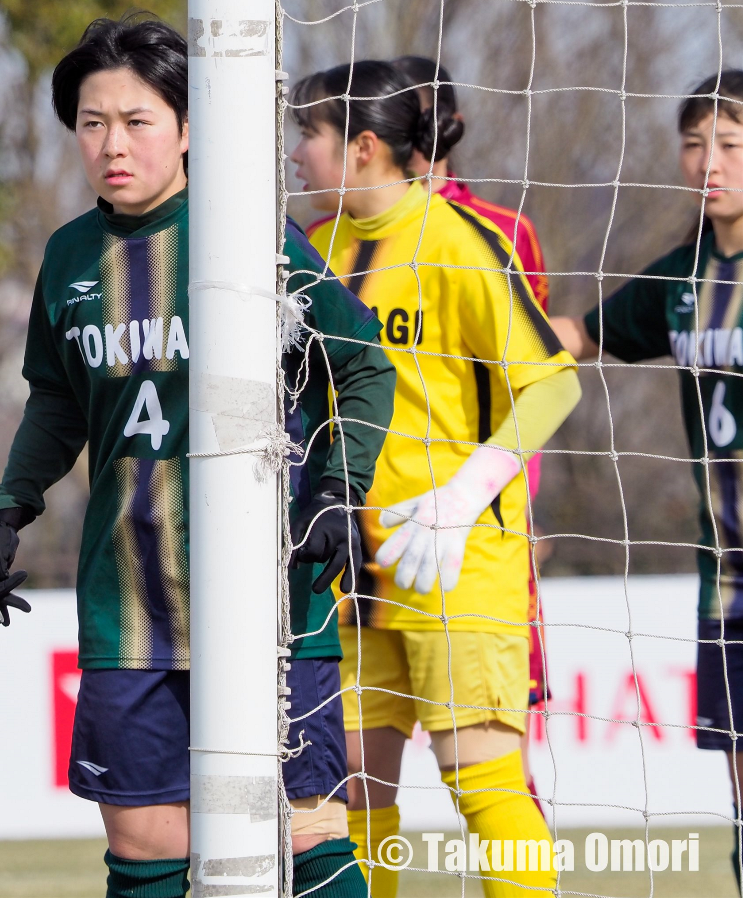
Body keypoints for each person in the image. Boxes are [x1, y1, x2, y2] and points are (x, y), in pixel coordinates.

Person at [0, 15, 395, 898]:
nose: (111, 144)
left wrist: (339, 492)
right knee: (146, 842)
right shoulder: (69, 257)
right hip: (129, 600)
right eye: (92, 123)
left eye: (137, 120)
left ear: (190, 127)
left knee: (304, 831)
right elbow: (56, 402)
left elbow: (360, 364)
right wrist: (9, 510)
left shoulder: (252, 238)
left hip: (271, 595)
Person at [295, 59, 581, 897]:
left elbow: (554, 381)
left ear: (366, 147)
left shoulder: (461, 242)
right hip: (346, 559)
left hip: (454, 560)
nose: (297, 152)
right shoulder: (311, 247)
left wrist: (462, 499)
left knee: (483, 783)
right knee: (349, 793)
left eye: (309, 133)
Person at [549, 69, 743, 892]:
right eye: (694, 144)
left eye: (729, 144)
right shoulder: (680, 279)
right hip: (727, 580)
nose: (709, 162)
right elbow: (576, 337)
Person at [392, 55, 555, 808]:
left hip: (473, 533)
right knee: (352, 780)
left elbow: (533, 381)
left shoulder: (496, 231)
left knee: (492, 772)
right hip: (368, 541)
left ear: (445, 127)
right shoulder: (331, 236)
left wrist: (513, 505)